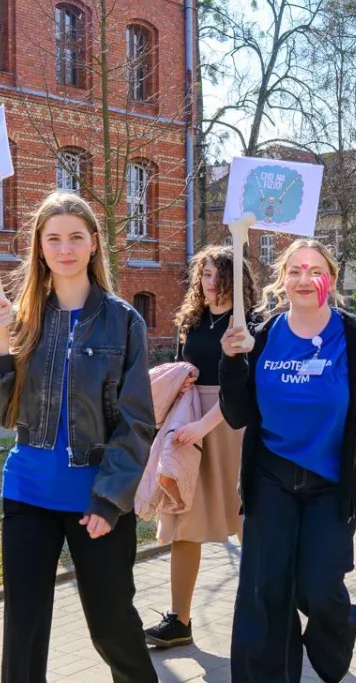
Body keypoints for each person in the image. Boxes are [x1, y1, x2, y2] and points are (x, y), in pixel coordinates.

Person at [0, 192, 158, 683]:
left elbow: (137, 421)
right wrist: (1, 344)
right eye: (53, 238)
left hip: (95, 501)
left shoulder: (124, 320)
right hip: (27, 494)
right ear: (39, 247)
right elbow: (0, 415)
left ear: (94, 243)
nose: (65, 248)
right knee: (23, 632)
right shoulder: (22, 317)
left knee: (112, 628)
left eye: (76, 237)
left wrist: (109, 500)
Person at [219, 238, 356, 683]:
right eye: (295, 270)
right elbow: (238, 414)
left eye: (316, 271)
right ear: (283, 280)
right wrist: (231, 361)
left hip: (332, 485)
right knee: (266, 590)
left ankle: (338, 628)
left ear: (331, 280)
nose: (305, 279)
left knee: (319, 588)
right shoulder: (262, 335)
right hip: (271, 478)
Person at [144, 245, 259, 649]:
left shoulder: (250, 323)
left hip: (232, 427)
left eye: (218, 275)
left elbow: (246, 389)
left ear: (236, 280)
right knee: (183, 521)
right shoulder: (192, 320)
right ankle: (179, 621)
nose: (210, 283)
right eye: (205, 274)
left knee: (249, 525)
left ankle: (270, 616)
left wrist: (203, 426)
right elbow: (186, 367)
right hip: (189, 423)